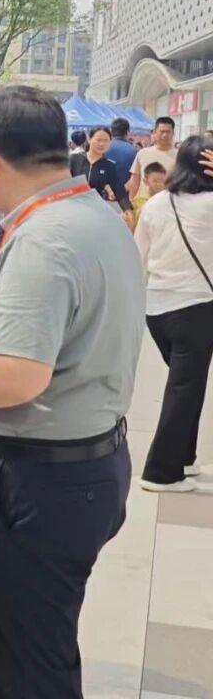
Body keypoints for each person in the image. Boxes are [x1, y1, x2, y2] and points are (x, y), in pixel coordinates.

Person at [0, 85, 143, 699]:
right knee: (44, 641)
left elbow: (18, 379)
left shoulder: (43, 239)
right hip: (85, 462)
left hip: (39, 480)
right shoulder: (94, 213)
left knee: (29, 660)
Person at [134, 132, 213, 492]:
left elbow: (138, 257)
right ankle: (161, 473)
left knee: (189, 384)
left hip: (157, 310)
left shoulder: (156, 203)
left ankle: (184, 457)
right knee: (184, 388)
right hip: (196, 309)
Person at [73, 126, 132, 219]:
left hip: (95, 212)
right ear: (89, 139)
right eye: (98, 140)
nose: (102, 144)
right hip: (72, 209)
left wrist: (128, 210)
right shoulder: (74, 159)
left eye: (106, 141)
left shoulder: (109, 166)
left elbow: (120, 192)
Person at [127, 115, 177, 200]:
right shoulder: (143, 153)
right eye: (162, 131)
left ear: (173, 133)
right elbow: (135, 180)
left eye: (168, 132)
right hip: (144, 202)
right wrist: (131, 201)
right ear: (155, 132)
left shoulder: (180, 155)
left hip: (168, 202)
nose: (165, 135)